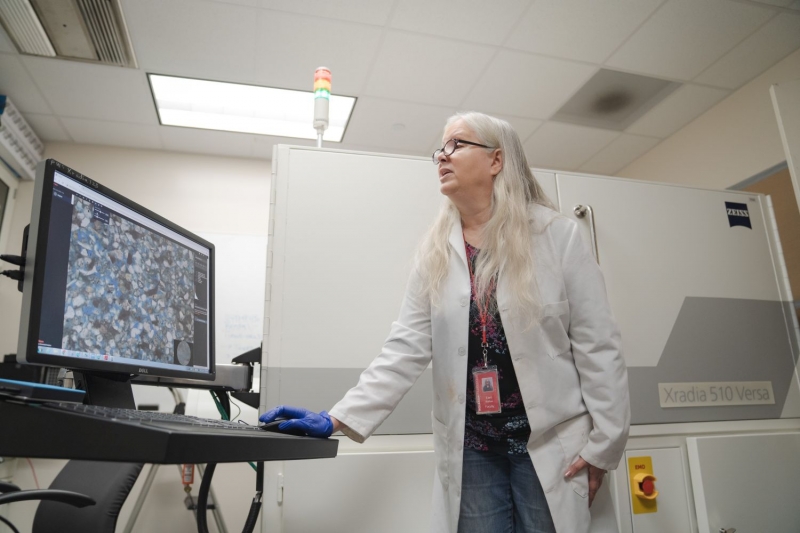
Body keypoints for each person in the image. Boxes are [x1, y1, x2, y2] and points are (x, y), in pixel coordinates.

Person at [260, 111, 630, 533]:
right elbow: (404, 349)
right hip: (474, 448)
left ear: (496, 160)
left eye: (457, 144)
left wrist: (605, 444)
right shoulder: (436, 251)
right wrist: (338, 418)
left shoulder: (556, 236)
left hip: (550, 443)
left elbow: (598, 346)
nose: (442, 156)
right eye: (440, 148)